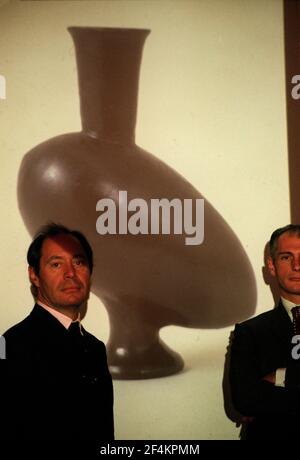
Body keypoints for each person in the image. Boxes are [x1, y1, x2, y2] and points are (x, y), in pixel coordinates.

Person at [1, 223, 114, 441]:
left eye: (79, 262)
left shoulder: (95, 348)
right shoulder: (10, 345)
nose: (70, 273)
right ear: (34, 275)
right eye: (56, 264)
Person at [229, 224, 300, 440]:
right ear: (272, 266)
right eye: (286, 257)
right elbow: (245, 400)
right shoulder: (249, 332)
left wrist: (282, 376)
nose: (297, 266)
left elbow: (260, 400)